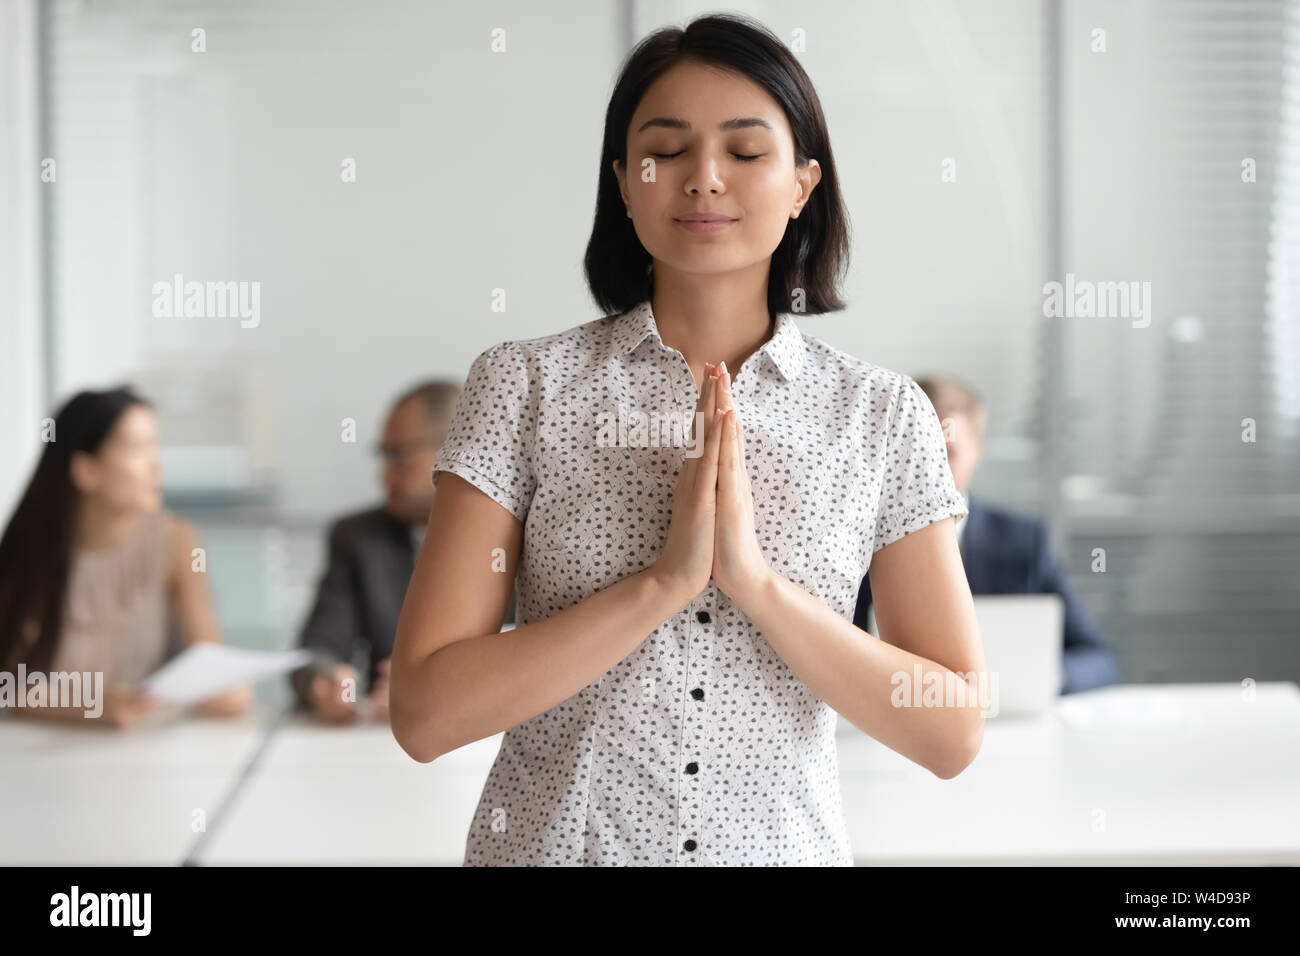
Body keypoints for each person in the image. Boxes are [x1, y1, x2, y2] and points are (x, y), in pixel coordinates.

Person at [390, 13, 984, 867]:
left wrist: (758, 586)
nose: (703, 179)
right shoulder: (523, 386)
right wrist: (662, 584)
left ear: (803, 184)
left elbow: (952, 729)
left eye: (745, 153)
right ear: (625, 183)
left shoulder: (881, 415)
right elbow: (424, 713)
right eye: (665, 151)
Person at [0, 386, 252, 729]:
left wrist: (225, 689)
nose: (156, 464)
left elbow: (208, 656)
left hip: (144, 752)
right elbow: (10, 685)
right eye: (137, 448)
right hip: (36, 752)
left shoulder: (178, 541)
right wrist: (94, 708)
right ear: (87, 470)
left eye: (155, 447)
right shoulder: (29, 552)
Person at [853, 375, 1121, 694]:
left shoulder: (1026, 543)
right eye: (918, 455)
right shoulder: (860, 545)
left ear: (977, 452)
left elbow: (1099, 659)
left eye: (948, 454)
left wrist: (1041, 679)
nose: (931, 473)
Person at [290, 382, 516, 724]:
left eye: (398, 457)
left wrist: (443, 685)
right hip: (391, 749)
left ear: (455, 449)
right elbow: (317, 649)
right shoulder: (358, 538)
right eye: (383, 456)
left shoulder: (527, 534)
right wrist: (327, 680)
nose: (383, 476)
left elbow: (560, 648)